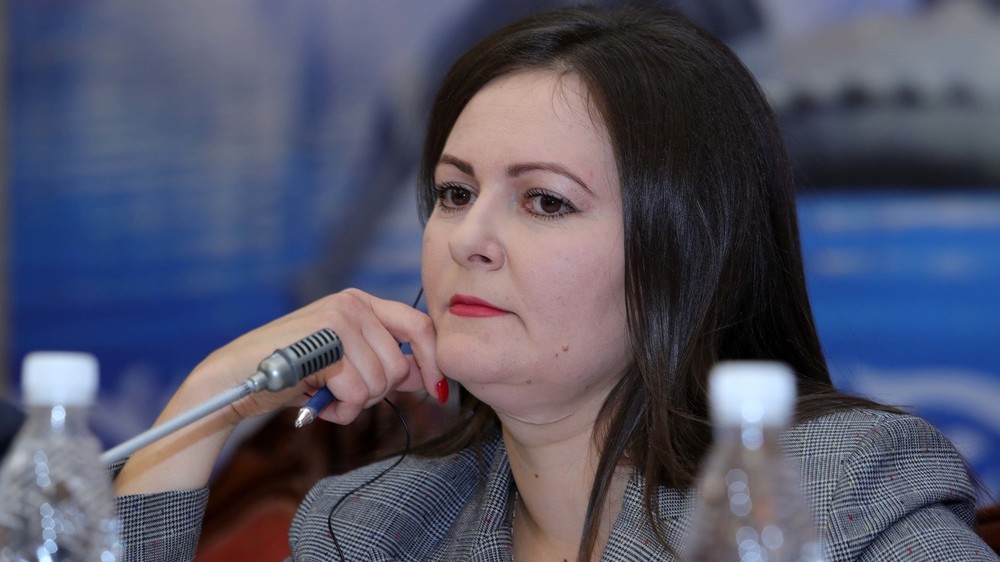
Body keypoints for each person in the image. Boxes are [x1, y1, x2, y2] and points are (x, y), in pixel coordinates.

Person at [113, 5, 998, 561]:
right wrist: (213, 398)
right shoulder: (378, 525)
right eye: (454, 194)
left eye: (544, 201)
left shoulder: (835, 495)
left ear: (683, 251)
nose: (470, 240)